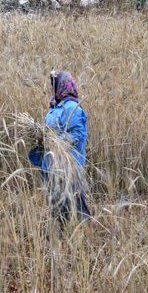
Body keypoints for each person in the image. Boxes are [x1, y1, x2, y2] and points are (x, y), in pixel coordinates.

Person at [29, 71, 90, 226]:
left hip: (68, 167)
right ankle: (63, 239)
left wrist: (54, 140)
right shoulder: (54, 108)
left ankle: (82, 238)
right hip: (51, 166)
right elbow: (49, 131)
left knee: (75, 206)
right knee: (57, 208)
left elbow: (77, 135)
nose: (52, 88)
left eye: (54, 85)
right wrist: (40, 136)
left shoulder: (72, 108)